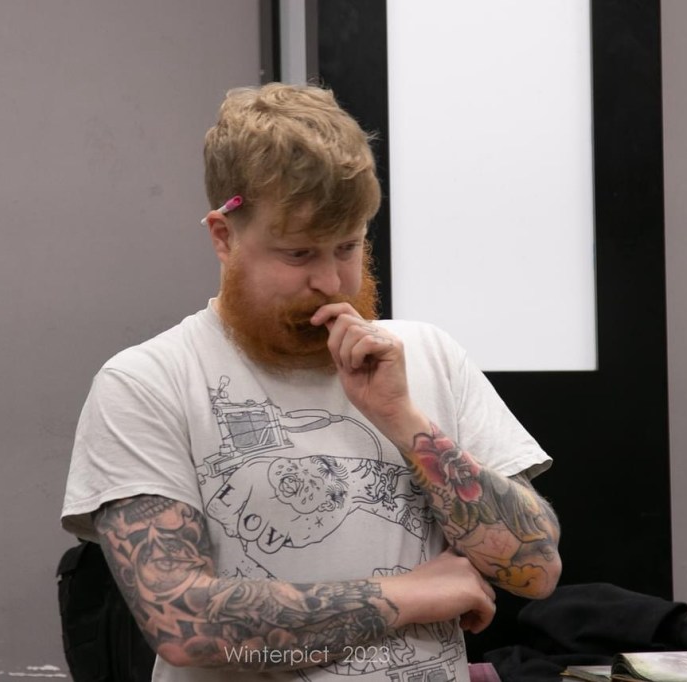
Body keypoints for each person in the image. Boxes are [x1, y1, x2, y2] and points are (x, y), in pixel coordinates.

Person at [61, 82, 562, 682]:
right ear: (224, 235)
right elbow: (185, 627)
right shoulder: (147, 383)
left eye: (347, 247)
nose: (332, 281)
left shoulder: (429, 356)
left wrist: (403, 419)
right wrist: (408, 595)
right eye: (298, 254)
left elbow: (534, 570)